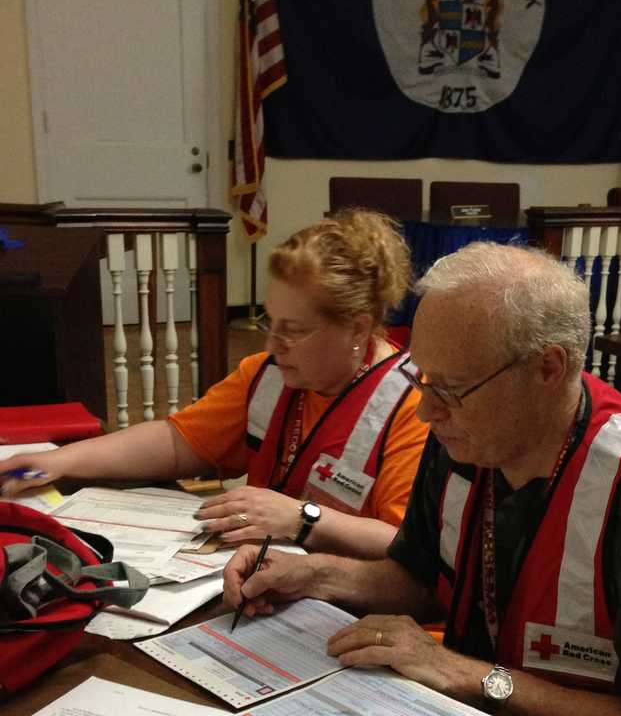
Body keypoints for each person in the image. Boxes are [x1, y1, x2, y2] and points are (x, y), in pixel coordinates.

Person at [222, 242, 621, 714]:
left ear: (548, 368)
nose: (425, 412)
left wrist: (476, 676)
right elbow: (421, 579)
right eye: (423, 379)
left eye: (453, 388)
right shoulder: (466, 434)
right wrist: (312, 576)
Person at [0, 209, 429, 559]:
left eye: (294, 330)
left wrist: (303, 518)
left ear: (357, 329)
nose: (272, 344)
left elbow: (409, 548)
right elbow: (177, 442)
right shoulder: (267, 373)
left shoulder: (414, 406)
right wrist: (60, 461)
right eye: (269, 320)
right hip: (266, 574)